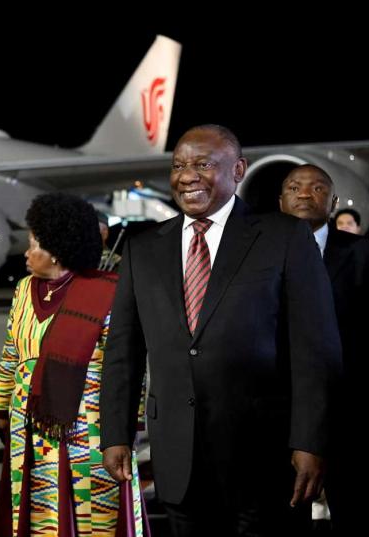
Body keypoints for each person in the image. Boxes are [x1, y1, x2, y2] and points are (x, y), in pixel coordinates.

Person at [100, 124, 342, 536]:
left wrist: (311, 441)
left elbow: (315, 350)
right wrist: (116, 434)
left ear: (238, 170)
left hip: (264, 458)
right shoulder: (143, 249)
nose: (186, 176)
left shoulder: (283, 237)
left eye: (203, 164)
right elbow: (124, 350)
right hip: (178, 459)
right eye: (178, 166)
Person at [0, 193, 145, 536]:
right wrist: (0, 409)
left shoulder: (107, 293)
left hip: (89, 433)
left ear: (57, 251)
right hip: (28, 431)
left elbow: (128, 369)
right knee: (38, 517)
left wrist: (126, 431)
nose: (26, 253)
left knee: (93, 519)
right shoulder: (23, 290)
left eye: (34, 244)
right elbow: (10, 356)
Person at [279, 164, 369, 535]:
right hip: (281, 422)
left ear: (334, 202)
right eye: (295, 187)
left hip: (353, 420)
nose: (305, 194)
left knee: (362, 519)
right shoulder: (256, 255)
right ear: (280, 200)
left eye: (317, 188)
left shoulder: (368, 255)